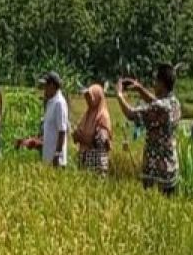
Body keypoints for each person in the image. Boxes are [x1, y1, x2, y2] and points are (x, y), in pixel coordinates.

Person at [116, 64, 181, 195]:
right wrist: (140, 89)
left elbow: (131, 114)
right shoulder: (174, 102)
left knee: (155, 210)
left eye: (156, 81)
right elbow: (156, 102)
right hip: (171, 167)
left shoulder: (161, 107)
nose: (153, 84)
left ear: (162, 83)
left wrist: (119, 95)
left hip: (157, 170)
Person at [73, 84, 112, 177]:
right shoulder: (87, 114)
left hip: (96, 161)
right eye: (86, 98)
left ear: (97, 98)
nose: (88, 101)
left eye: (90, 98)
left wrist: (82, 138)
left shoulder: (102, 116)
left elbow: (100, 142)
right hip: (85, 158)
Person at [37, 72, 70, 168]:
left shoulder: (59, 103)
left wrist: (57, 154)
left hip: (56, 160)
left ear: (52, 85)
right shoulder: (50, 101)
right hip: (48, 157)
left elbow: (62, 131)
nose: (44, 89)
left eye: (45, 85)